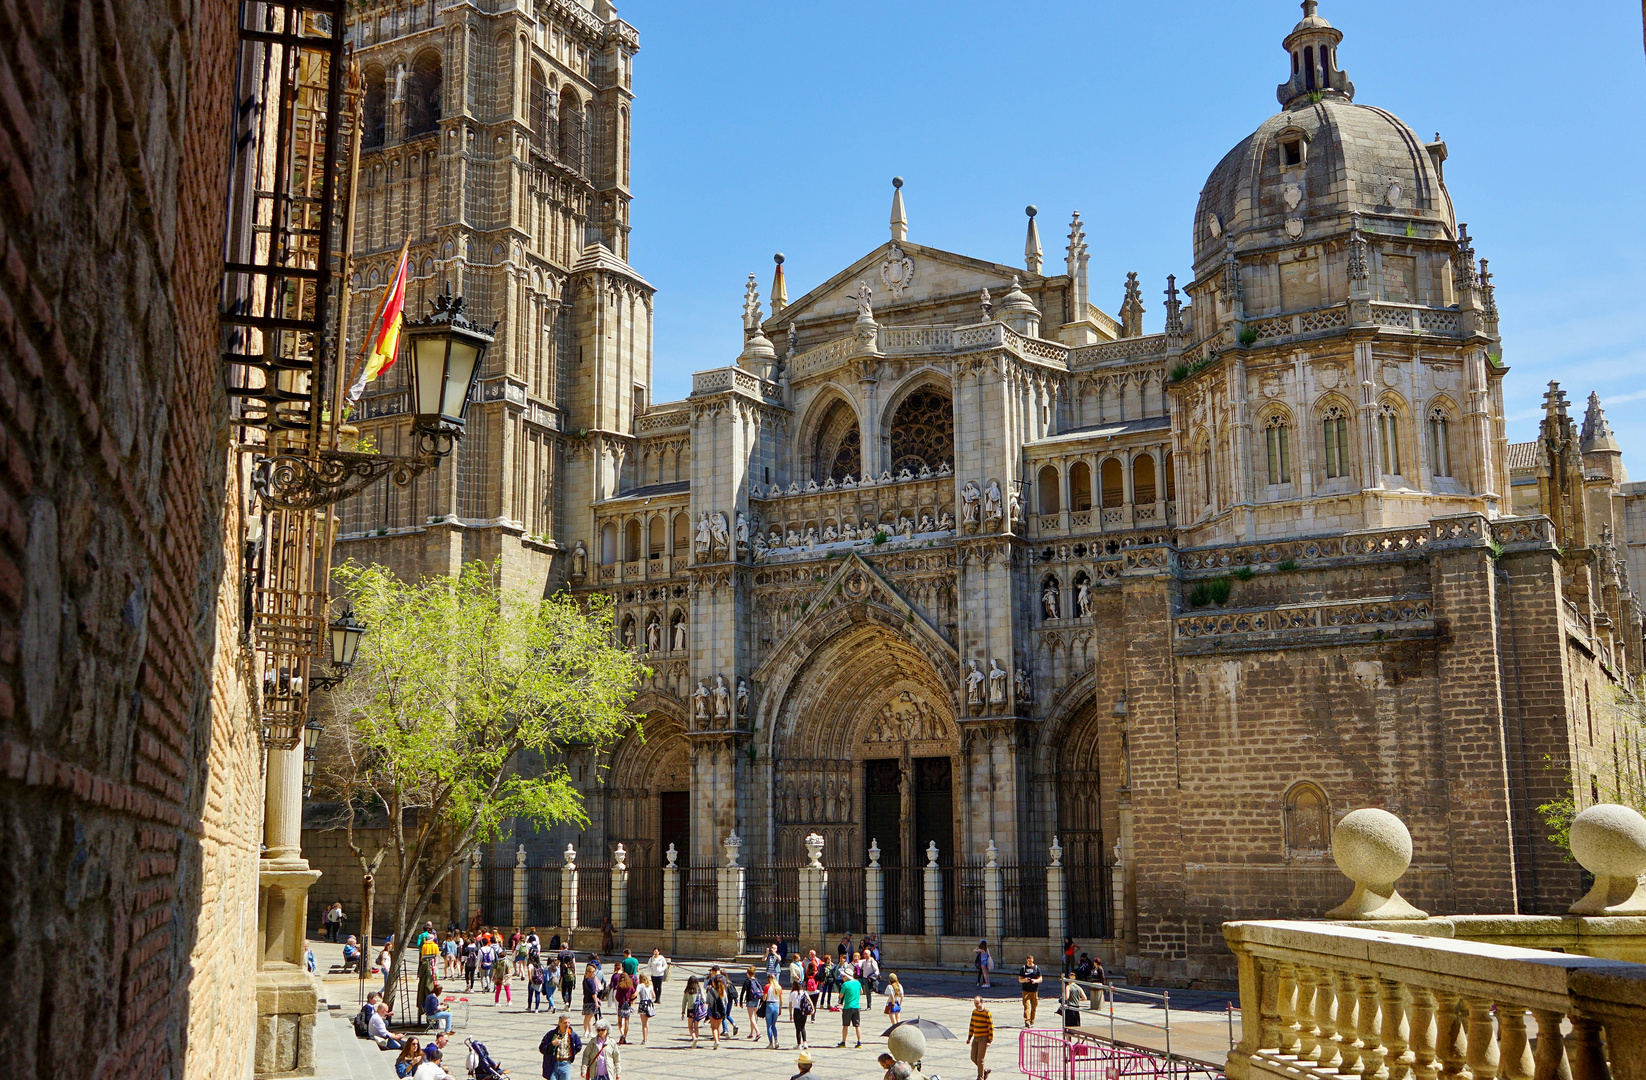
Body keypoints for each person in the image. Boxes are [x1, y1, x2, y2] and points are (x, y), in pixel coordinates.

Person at [540, 1013, 582, 1080]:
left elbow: (579, 1046)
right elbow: (542, 1048)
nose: (567, 1025)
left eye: (568, 1023)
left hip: (566, 1064)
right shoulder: (551, 1034)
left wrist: (572, 1052)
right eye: (565, 1023)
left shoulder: (572, 1035)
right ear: (559, 1023)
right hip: (553, 1064)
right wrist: (552, 1044)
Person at [835, 958, 863, 1047]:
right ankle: (859, 1042)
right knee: (857, 1025)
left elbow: (840, 996)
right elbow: (861, 992)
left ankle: (843, 1042)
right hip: (856, 1007)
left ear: (848, 976)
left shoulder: (845, 984)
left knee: (845, 1025)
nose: (842, 977)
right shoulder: (857, 982)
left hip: (848, 1007)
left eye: (844, 976)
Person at [967, 996, 994, 1080]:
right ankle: (985, 1070)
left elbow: (991, 1027)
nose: (976, 1005)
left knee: (980, 1059)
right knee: (973, 1057)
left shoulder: (987, 1013)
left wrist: (990, 1040)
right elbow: (972, 1024)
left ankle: (980, 1077)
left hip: (984, 1038)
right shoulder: (974, 1012)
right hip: (976, 1037)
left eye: (977, 1003)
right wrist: (969, 1037)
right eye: (975, 1003)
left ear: (982, 1002)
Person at [788, 973, 813, 1049]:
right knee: (803, 1027)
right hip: (803, 1011)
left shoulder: (792, 993)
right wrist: (813, 1009)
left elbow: (790, 1005)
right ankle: (805, 1043)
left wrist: (790, 1014)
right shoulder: (804, 992)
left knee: (797, 1028)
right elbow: (810, 1001)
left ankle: (799, 1044)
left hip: (796, 1011)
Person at [1018, 954, 1044, 1025]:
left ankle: (1032, 1020)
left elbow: (1040, 979)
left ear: (1033, 960)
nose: (1029, 962)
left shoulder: (1036, 968)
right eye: (1028, 961)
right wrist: (1025, 980)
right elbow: (1020, 979)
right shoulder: (1023, 968)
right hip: (1025, 990)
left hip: (1034, 990)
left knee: (1034, 1006)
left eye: (1031, 961)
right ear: (1027, 960)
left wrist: (1035, 981)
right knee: (1026, 1006)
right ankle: (1027, 1020)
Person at [682, 975, 706, 1048]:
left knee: (690, 1026)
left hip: (690, 1010)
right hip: (697, 1010)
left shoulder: (687, 990)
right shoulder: (699, 989)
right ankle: (696, 1038)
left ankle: (694, 1037)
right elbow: (704, 999)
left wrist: (683, 1011)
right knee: (696, 1027)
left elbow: (684, 1001)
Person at [612, 968, 635, 1044]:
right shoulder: (630, 986)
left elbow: (617, 997)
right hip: (627, 1005)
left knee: (619, 1022)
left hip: (621, 1005)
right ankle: (625, 1035)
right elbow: (634, 994)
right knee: (627, 1021)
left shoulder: (619, 986)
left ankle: (622, 1034)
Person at [762, 971, 784, 1048]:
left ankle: (770, 1043)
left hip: (769, 1005)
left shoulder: (767, 986)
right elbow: (781, 1000)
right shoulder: (779, 987)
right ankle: (776, 1039)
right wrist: (780, 1009)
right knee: (774, 1025)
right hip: (776, 1005)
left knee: (769, 1025)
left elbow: (764, 998)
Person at [741, 966, 761, 1040]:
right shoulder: (757, 981)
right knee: (754, 1017)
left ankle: (758, 1032)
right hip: (757, 1000)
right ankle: (751, 1033)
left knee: (751, 1018)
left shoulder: (747, 981)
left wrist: (740, 1002)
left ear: (748, 973)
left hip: (750, 1000)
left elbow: (743, 992)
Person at [581, 963, 601, 1036]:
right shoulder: (591, 981)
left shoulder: (585, 980)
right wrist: (596, 1002)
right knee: (590, 1017)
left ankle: (585, 1031)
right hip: (591, 1000)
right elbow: (593, 993)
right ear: (588, 972)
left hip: (585, 999)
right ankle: (590, 1032)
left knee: (586, 1016)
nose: (594, 974)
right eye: (592, 972)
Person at [635, 972, 656, 1045]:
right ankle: (646, 1038)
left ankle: (644, 1039)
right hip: (649, 1004)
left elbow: (635, 994)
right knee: (647, 1022)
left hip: (643, 1004)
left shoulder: (640, 986)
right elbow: (653, 996)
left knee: (643, 1023)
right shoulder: (650, 986)